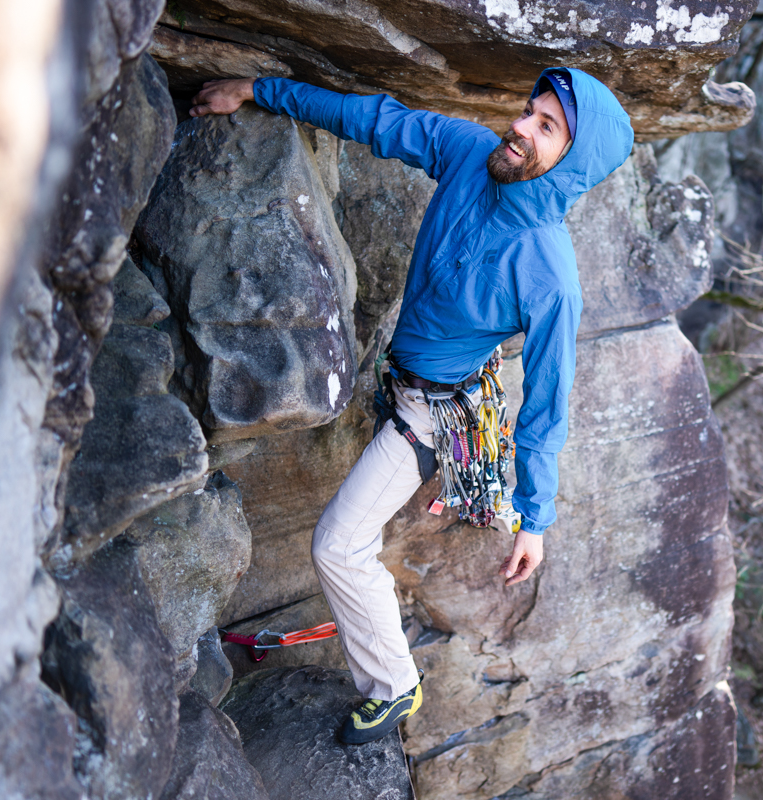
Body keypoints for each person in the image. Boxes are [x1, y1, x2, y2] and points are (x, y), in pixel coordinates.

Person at [189, 67, 634, 744]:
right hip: (407, 377)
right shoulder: (466, 153)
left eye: (547, 128)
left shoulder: (549, 277)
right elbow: (372, 118)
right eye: (527, 111)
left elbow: (546, 405)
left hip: (435, 413)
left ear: (573, 162)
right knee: (345, 539)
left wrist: (534, 518)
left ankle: (394, 686)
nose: (519, 126)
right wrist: (255, 90)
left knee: (339, 546)